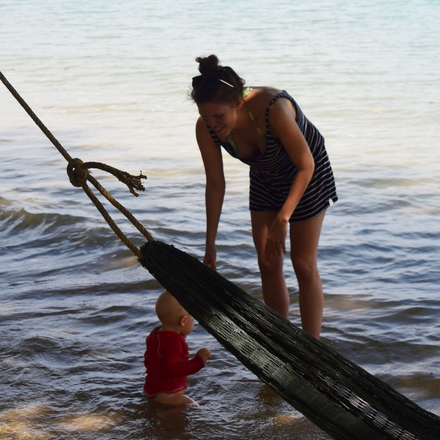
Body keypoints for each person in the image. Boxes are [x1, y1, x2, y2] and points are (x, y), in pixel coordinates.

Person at [192, 55, 337, 337]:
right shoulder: (206, 127)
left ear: (237, 103)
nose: (212, 124)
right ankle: (281, 342)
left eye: (218, 116)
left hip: (306, 174)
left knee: (303, 264)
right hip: (265, 175)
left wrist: (283, 218)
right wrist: (210, 243)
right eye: (205, 116)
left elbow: (306, 165)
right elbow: (215, 184)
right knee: (267, 262)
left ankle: (312, 352)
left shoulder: (274, 108)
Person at [144, 291, 211, 406]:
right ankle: (167, 414)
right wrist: (199, 361)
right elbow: (175, 368)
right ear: (183, 321)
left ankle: (161, 409)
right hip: (167, 394)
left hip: (152, 388)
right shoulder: (173, 341)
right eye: (193, 319)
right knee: (193, 406)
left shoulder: (156, 334)